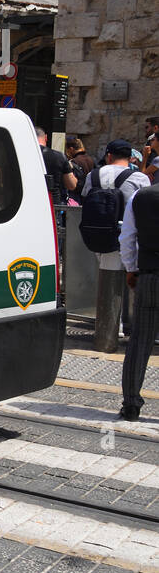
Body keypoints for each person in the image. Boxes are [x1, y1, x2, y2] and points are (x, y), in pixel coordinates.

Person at [81, 139, 149, 352]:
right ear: (130, 158)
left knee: (108, 282)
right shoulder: (138, 177)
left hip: (97, 236)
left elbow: (85, 198)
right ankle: (126, 331)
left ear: (108, 155)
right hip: (127, 236)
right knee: (130, 283)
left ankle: (115, 328)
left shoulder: (93, 175)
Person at [119, 180, 159, 420]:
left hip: (150, 274)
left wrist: (131, 268)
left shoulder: (140, 197)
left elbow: (127, 237)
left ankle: (131, 403)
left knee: (140, 341)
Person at [37, 127, 76, 204]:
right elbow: (71, 185)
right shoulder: (59, 156)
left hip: (29, 203)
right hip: (53, 204)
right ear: (46, 137)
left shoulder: (22, 156)